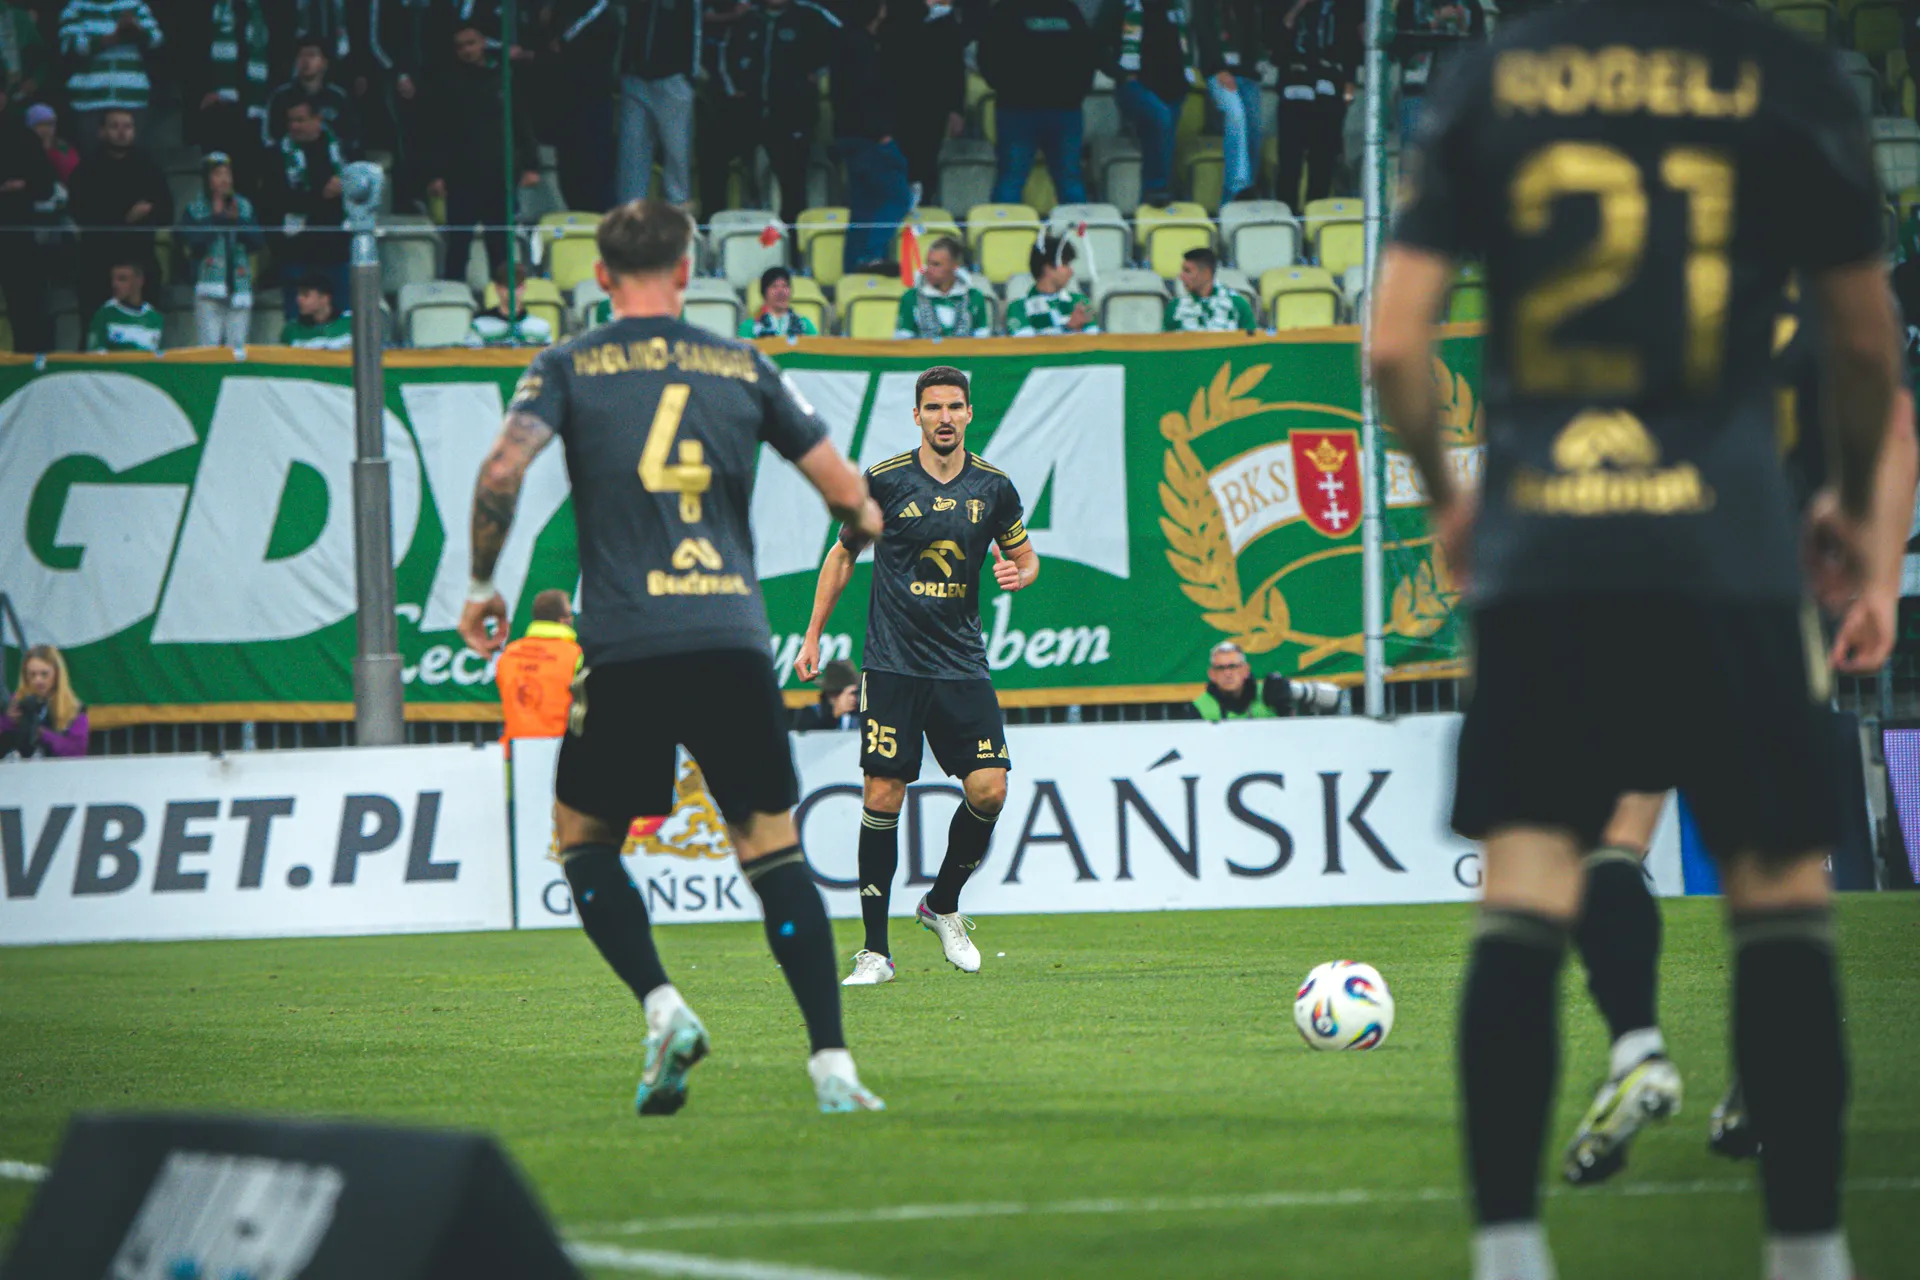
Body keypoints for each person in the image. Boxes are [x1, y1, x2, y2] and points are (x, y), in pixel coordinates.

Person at [1370, 4, 1901, 1278]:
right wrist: (1847, 509)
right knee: (1781, 900)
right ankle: (1810, 1249)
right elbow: (1863, 342)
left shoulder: (1492, 79)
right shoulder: (1789, 77)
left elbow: (1391, 344)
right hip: (1732, 553)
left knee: (1526, 888)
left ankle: (1509, 1248)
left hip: (1549, 555)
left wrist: (1447, 499)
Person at [456, 198, 888, 1115]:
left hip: (628, 644)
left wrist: (483, 584)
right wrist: (862, 520)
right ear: (689, 271)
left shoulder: (568, 364)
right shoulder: (743, 363)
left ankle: (662, 1007)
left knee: (583, 840)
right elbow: (846, 492)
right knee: (772, 850)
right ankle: (833, 1067)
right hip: (732, 638)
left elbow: (499, 471)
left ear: (600, 276)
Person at [1558, 286, 1920, 1187]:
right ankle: (1768, 1072)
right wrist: (1879, 585)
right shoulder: (1832, 298)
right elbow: (1895, 434)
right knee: (1779, 870)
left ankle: (1638, 1047)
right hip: (1773, 600)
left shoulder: (1641, 281)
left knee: (1614, 835)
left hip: (1651, 594)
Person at [794, 365, 1041, 986]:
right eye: (934, 408)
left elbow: (1024, 554)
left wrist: (1020, 572)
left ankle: (941, 903)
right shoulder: (884, 481)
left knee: (990, 791)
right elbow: (843, 553)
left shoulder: (994, 487)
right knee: (882, 795)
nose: (945, 417)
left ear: (969, 413)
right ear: (917, 416)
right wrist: (814, 632)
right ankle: (875, 953)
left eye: (955, 406)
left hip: (961, 666)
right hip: (893, 664)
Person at [423, 22, 540, 287]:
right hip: (460, 178)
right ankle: (453, 298)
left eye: (471, 43)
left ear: (483, 43)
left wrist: (531, 165)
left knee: (500, 249)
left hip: (499, 176)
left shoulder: (504, 77)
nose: (467, 50)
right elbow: (435, 131)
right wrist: (435, 174)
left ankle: (501, 302)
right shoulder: (445, 82)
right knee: (457, 249)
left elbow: (522, 123)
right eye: (460, 46)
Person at [980, 0, 1096, 207]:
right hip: (1022, 110)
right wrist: (1008, 88)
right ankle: (1005, 233)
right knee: (1016, 180)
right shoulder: (1007, 10)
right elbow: (987, 55)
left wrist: (1077, 92)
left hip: (1056, 110)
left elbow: (1088, 53)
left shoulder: (1066, 9)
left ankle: (1076, 236)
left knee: (1065, 181)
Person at [831, 0, 914, 276]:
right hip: (871, 138)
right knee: (898, 197)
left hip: (849, 136)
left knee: (863, 207)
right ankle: (871, 255)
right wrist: (881, 132)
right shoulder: (863, 47)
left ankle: (851, 270)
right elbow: (866, 94)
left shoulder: (844, 42)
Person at [66, 107, 169, 321]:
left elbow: (167, 212)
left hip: (140, 258)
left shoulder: (149, 167)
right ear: (101, 131)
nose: (122, 132)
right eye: (114, 126)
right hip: (97, 260)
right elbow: (80, 212)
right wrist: (125, 218)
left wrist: (147, 212)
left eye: (127, 127)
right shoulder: (87, 170)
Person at [752, 0, 841, 237]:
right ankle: (758, 236)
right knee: (754, 181)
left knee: (793, 185)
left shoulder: (810, 16)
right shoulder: (749, 19)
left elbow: (846, 39)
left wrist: (819, 72)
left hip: (795, 115)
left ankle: (793, 241)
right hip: (753, 113)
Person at [1104, 0, 1193, 209]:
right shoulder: (1121, 4)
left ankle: (1152, 207)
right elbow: (1097, 43)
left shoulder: (1175, 6)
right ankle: (1156, 192)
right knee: (1160, 118)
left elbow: (1184, 43)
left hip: (1174, 88)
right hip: (1135, 85)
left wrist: (1185, 81)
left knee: (1164, 144)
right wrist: (1120, 74)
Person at [270, 98, 352, 319]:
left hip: (337, 249)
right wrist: (320, 195)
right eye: (291, 121)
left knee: (344, 318)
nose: (294, 126)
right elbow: (277, 200)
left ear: (318, 119)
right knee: (297, 320)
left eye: (300, 120)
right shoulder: (278, 155)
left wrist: (345, 186)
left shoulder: (341, 149)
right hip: (297, 251)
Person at [1272, 0, 1358, 207]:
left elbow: (1350, 43)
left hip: (1329, 89)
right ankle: (1289, 212)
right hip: (1295, 88)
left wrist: (1349, 81)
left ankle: (1316, 211)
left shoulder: (1340, 8)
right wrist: (1297, 8)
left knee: (1324, 158)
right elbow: (1276, 49)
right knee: (1290, 159)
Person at [880, 0, 966, 203]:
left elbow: (955, 66)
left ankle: (924, 210)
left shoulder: (943, 20)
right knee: (899, 168)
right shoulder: (890, 19)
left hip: (931, 108)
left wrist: (956, 108)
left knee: (925, 167)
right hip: (898, 107)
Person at [616, 0, 699, 206]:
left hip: (671, 79)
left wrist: (689, 77)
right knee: (632, 151)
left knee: (676, 152)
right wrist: (622, 68)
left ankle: (677, 210)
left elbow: (696, 30)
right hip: (634, 78)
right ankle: (631, 211)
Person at [180, 151, 264, 348]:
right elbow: (193, 246)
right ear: (206, 179)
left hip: (240, 289)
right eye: (217, 174)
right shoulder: (194, 209)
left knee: (237, 348)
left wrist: (237, 222)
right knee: (209, 348)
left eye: (227, 174)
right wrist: (216, 218)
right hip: (208, 289)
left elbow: (258, 243)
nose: (224, 180)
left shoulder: (244, 206)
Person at [58, 0, 163, 149]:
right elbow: (70, 47)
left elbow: (156, 39)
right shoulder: (75, 8)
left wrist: (136, 31)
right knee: (91, 158)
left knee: (133, 158)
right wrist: (114, 38)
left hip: (131, 97)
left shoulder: (135, 6)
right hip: (89, 100)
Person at [0, 88, 55, 353]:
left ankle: (29, 363)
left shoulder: (23, 137)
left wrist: (22, 186)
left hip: (16, 234)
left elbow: (45, 186)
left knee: (25, 307)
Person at [196, 0, 272, 189]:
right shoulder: (210, 6)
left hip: (257, 107)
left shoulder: (265, 8)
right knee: (218, 179)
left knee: (250, 178)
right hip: (219, 107)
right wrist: (203, 90)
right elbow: (192, 47)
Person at [1192, 0, 1262, 204]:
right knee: (1235, 113)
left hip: (1246, 72)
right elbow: (1203, 30)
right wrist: (1219, 69)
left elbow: (1254, 32)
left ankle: (1248, 192)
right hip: (1216, 71)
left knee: (1255, 130)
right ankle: (1238, 189)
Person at [497, 588, 582, 751]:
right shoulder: (575, 655)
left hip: (514, 750)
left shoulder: (509, 654)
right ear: (563, 620)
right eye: (570, 614)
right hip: (558, 748)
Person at [1181, 640, 1339, 720]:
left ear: (1246, 670)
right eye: (1221, 668)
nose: (1228, 673)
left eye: (1233, 667)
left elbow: (1334, 698)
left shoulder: (1270, 691)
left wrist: (1286, 701)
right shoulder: (1198, 707)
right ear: (1212, 674)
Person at [265, 35, 359, 149]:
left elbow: (350, 137)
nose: (306, 61)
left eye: (312, 55)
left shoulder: (337, 97)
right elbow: (272, 138)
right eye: (301, 55)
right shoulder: (281, 97)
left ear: (324, 63)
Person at [0, 645, 90, 760]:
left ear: (57, 674)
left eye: (44, 674)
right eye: (32, 674)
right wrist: (8, 721)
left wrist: (42, 735)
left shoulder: (73, 709)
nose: (38, 680)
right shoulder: (14, 703)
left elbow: (77, 752)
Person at [895, 235, 991, 337]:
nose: (929, 270)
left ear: (954, 265)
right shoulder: (911, 297)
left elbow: (983, 339)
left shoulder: (974, 297)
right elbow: (903, 341)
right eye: (928, 263)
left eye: (936, 264)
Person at [1007, 233, 1096, 335]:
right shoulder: (1018, 307)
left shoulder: (1081, 302)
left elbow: (1095, 338)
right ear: (1047, 268)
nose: (1071, 271)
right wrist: (1067, 328)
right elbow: (1024, 342)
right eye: (1065, 264)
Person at [1164, 246, 1254, 331]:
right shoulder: (1175, 307)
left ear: (1206, 273)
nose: (1181, 276)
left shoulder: (1237, 304)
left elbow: (1252, 339)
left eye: (1187, 271)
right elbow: (1165, 340)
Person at [468, 261, 555, 346]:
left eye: (517, 286)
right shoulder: (479, 326)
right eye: (507, 286)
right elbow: (470, 354)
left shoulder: (541, 327)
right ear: (497, 288)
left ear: (524, 288)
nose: (512, 291)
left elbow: (549, 354)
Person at [83, 257, 162, 351]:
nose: (115, 285)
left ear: (139, 281)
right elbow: (95, 353)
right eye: (113, 279)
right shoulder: (104, 314)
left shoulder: (155, 318)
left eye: (122, 279)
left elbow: (161, 354)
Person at [278, 270, 352, 348]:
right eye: (298, 294)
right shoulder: (291, 330)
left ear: (325, 298)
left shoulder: (351, 322)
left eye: (305, 295)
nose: (299, 299)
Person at [741, 265, 817, 338]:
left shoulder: (804, 325)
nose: (781, 291)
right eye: (774, 286)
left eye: (785, 286)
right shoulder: (749, 327)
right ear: (764, 292)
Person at [793, 659, 860, 731]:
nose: (855, 698)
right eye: (852, 693)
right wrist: (835, 714)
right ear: (833, 695)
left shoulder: (856, 716)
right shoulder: (810, 715)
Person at [27, 103, 80, 185]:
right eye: (41, 124)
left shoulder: (62, 145)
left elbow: (72, 168)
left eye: (50, 124)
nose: (46, 129)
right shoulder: (27, 149)